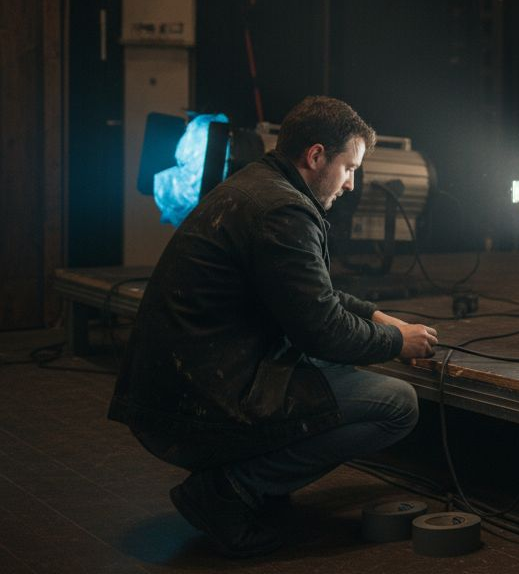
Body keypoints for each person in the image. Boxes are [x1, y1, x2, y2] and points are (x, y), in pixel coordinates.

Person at [108, 96, 438, 557]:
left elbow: (303, 294)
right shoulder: (283, 212)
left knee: (328, 360)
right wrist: (395, 341)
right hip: (199, 403)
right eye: (349, 168)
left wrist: (375, 316)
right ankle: (231, 489)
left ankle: (253, 482)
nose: (350, 184)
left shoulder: (257, 186)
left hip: (177, 389)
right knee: (397, 404)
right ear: (316, 155)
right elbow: (320, 329)